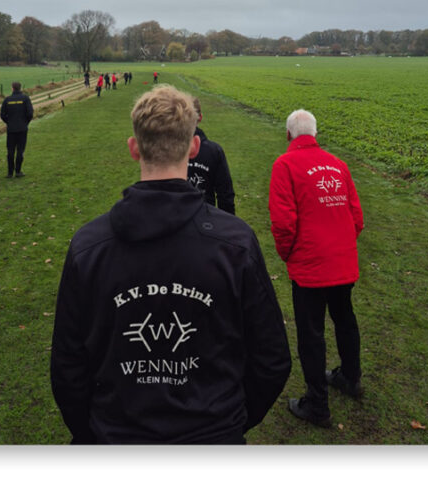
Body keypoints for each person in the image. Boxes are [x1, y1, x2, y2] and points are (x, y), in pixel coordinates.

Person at [51, 85, 291, 445]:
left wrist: (95, 433)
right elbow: (271, 359)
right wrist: (227, 425)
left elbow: (68, 366)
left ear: (134, 148)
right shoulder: (235, 244)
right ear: (193, 147)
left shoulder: (89, 246)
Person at [268, 109, 365, 428]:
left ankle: (317, 404)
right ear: (315, 134)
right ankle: (351, 377)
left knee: (311, 333)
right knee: (344, 319)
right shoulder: (338, 165)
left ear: (288, 135)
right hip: (342, 261)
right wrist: (341, 245)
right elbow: (356, 217)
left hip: (310, 266)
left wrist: (289, 255)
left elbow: (283, 222)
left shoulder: (285, 165)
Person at [187, 97, 236, 214]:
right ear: (200, 117)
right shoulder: (214, 151)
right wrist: (228, 224)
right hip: (206, 218)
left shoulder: (166, 149)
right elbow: (225, 194)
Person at [0, 82, 34, 178]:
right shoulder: (25, 98)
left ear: (12, 88)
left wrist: (8, 122)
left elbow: (2, 115)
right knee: (20, 150)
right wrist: (25, 122)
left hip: (11, 129)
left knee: (10, 151)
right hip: (22, 128)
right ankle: (18, 171)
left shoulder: (7, 99)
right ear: (20, 88)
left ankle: (10, 173)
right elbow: (30, 113)